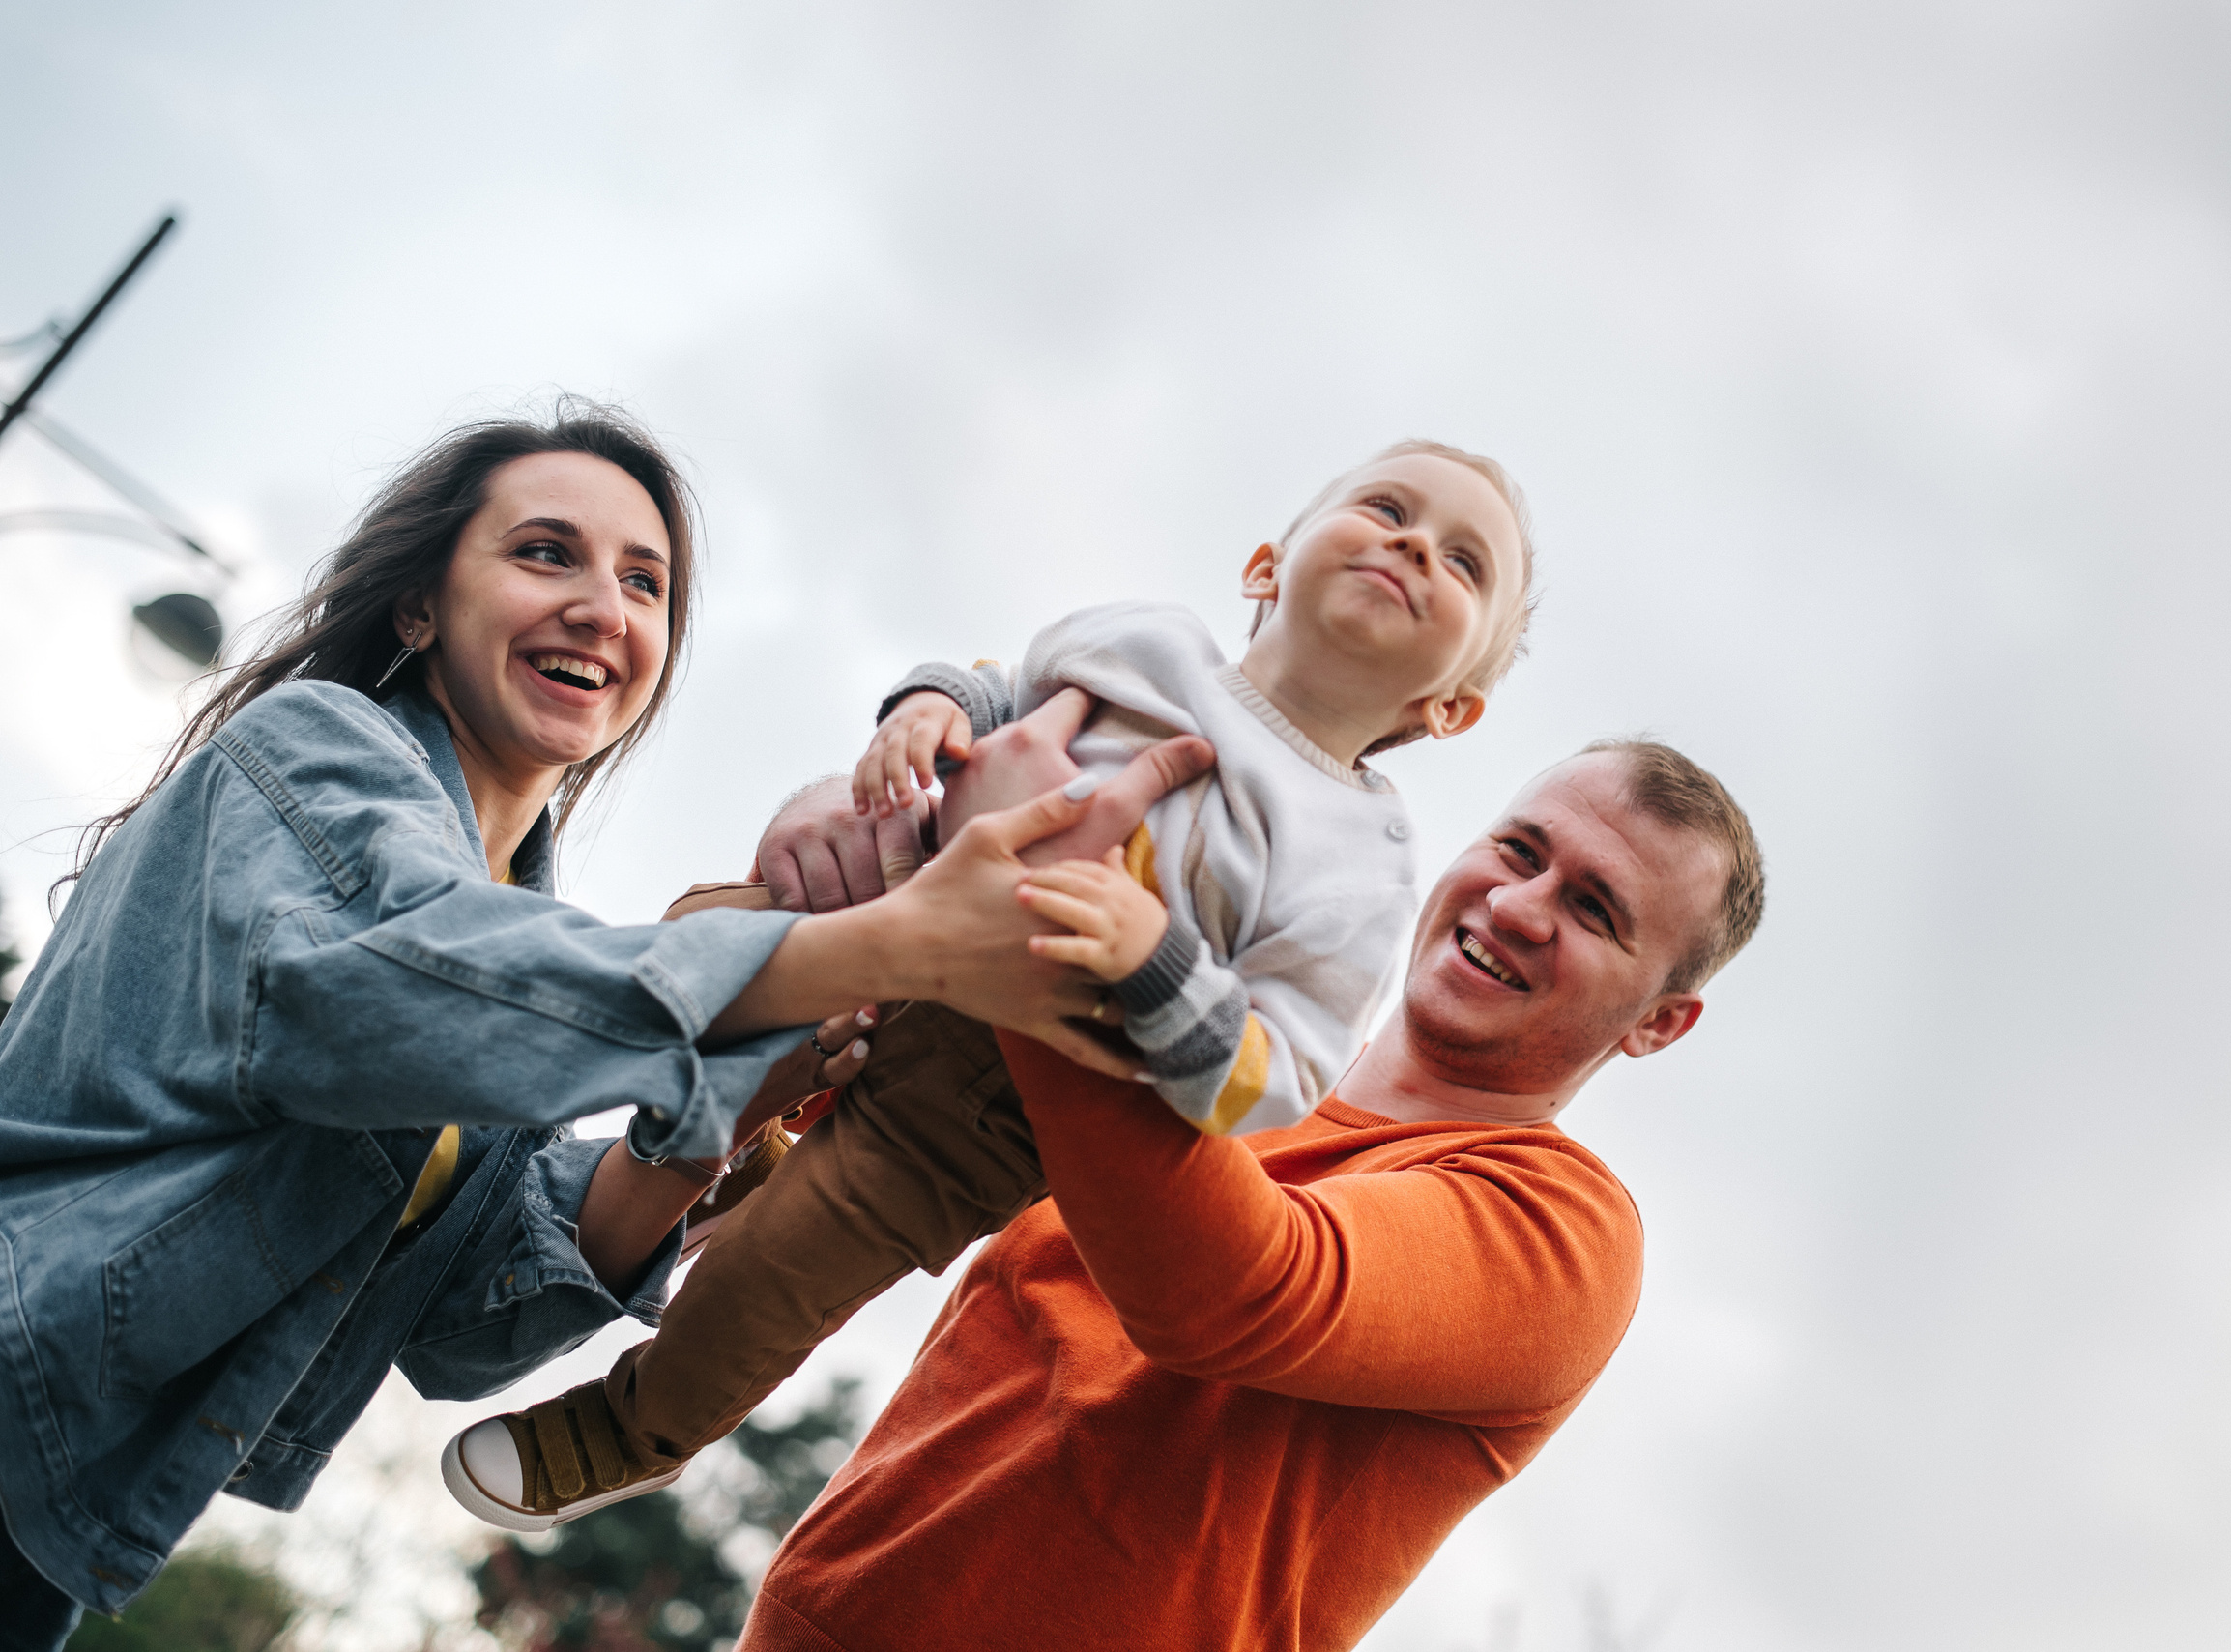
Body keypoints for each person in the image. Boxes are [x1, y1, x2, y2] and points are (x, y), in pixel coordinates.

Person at [0, 403, 1203, 1650]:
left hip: (53, 1503)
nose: (602, 606)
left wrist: (713, 1121)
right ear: (418, 607)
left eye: (645, 582)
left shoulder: (520, 915)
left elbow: (457, 1323)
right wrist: (879, 943)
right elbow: (400, 980)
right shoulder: (314, 753)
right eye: (544, 553)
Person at [441, 438, 1541, 1527]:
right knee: (697, 941)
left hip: (981, 1105)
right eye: (1386, 506)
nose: (1412, 543)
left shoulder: (1360, 859)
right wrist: (924, 711)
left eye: (1463, 562)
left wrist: (1153, 954)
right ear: (1268, 563)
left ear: (1451, 707)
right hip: (880, 915)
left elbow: (1278, 1074)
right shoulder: (1147, 641)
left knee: (781, 1272)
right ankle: (707, 1133)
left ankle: (632, 1427)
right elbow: (996, 684)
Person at [737, 738, 1766, 1652]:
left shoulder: (1564, 1228)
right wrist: (863, 838)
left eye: (1593, 908)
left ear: (1659, 1022)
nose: (1516, 905)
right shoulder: (1222, 1057)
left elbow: (1236, 1286)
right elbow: (900, 1155)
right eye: (1518, 848)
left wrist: (1044, 930)